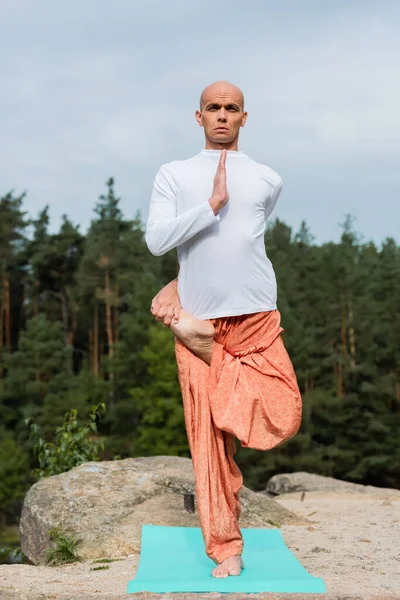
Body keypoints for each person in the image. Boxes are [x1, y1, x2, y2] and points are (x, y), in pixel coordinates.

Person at [146, 81, 302, 579]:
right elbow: (157, 240)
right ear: (198, 117)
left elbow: (240, 246)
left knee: (283, 409)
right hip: (201, 312)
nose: (221, 116)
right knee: (207, 439)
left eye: (230, 108)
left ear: (244, 117)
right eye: (212, 108)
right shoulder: (174, 173)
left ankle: (209, 349)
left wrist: (177, 281)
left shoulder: (267, 178)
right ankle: (225, 546)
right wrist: (210, 205)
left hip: (256, 312)